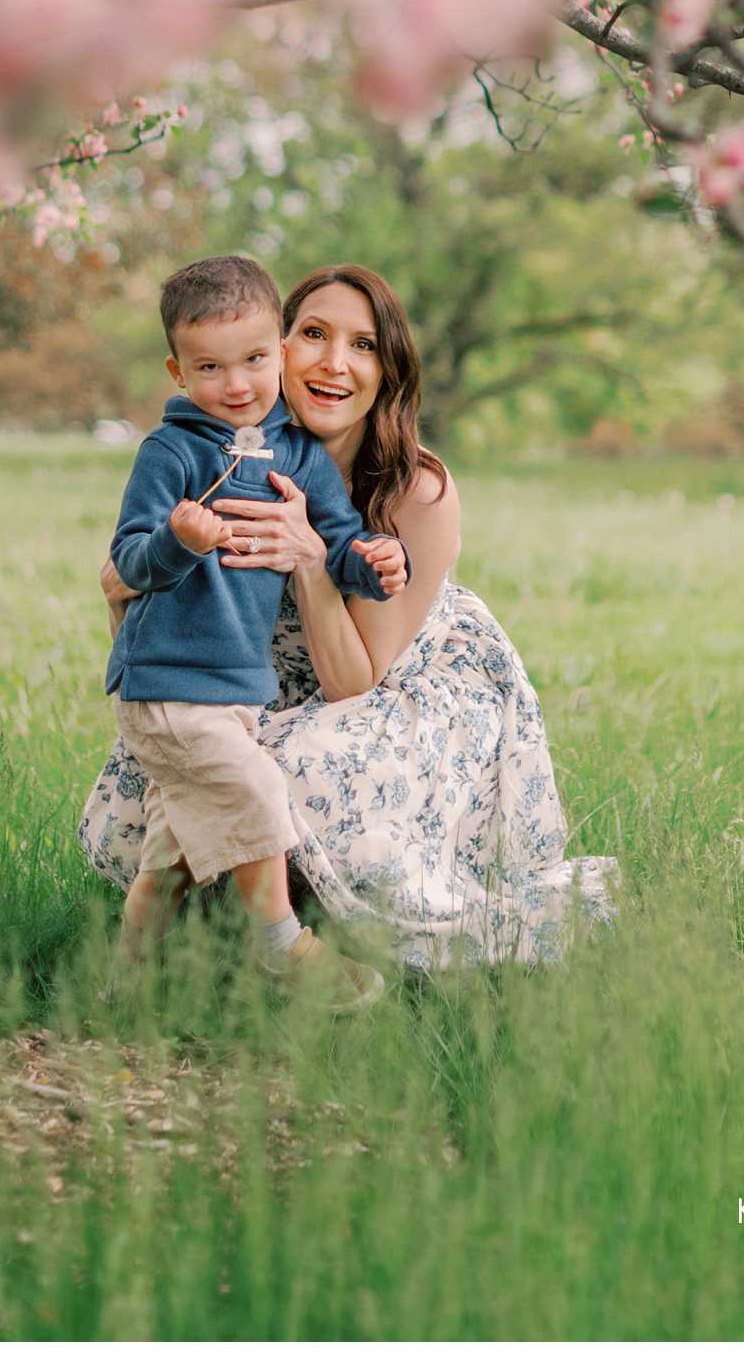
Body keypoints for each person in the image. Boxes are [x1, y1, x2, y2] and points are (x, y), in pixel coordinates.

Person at [80, 263, 617, 968]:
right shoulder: (210, 452)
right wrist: (137, 579)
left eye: (363, 345)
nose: (335, 363)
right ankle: (185, 955)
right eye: (314, 334)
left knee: (287, 771)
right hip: (246, 681)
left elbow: (353, 685)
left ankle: (297, 943)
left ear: (387, 369)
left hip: (394, 692)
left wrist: (310, 558)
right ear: (280, 344)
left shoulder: (416, 489)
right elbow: (138, 592)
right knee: (171, 779)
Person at [105, 252, 410, 1011]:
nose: (236, 385)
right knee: (256, 786)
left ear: (277, 350)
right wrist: (180, 539)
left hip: (236, 690)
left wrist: (373, 563)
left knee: (167, 861)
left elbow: (334, 545)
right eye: (210, 368)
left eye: (252, 360)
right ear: (178, 372)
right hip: (169, 684)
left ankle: (120, 992)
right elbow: (128, 562)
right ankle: (282, 944)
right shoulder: (168, 452)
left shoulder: (299, 455)